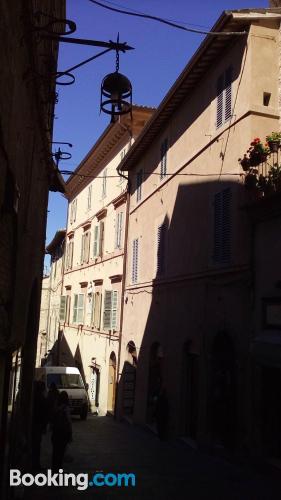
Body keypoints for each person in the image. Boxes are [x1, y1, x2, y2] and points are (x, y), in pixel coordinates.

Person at [51, 391, 72, 470]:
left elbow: (52, 419)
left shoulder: (56, 407)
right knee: (61, 452)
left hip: (56, 432)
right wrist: (70, 433)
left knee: (55, 452)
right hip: (63, 433)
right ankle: (59, 469)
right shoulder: (65, 408)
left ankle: (54, 469)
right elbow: (69, 422)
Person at [31, 380, 48, 471]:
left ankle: (33, 464)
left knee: (34, 446)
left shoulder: (32, 397)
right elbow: (44, 413)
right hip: (37, 425)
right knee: (36, 447)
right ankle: (35, 465)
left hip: (34, 424)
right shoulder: (41, 398)